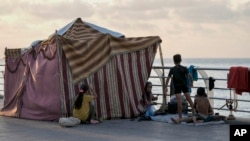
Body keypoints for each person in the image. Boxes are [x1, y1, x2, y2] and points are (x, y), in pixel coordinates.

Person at [165, 54, 195, 123]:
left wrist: (166, 87)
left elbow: (168, 79)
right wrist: (191, 83)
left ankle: (180, 117)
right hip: (184, 85)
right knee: (189, 99)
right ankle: (195, 113)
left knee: (179, 102)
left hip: (177, 86)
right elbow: (190, 76)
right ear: (180, 60)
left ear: (174, 61)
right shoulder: (184, 68)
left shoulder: (172, 69)